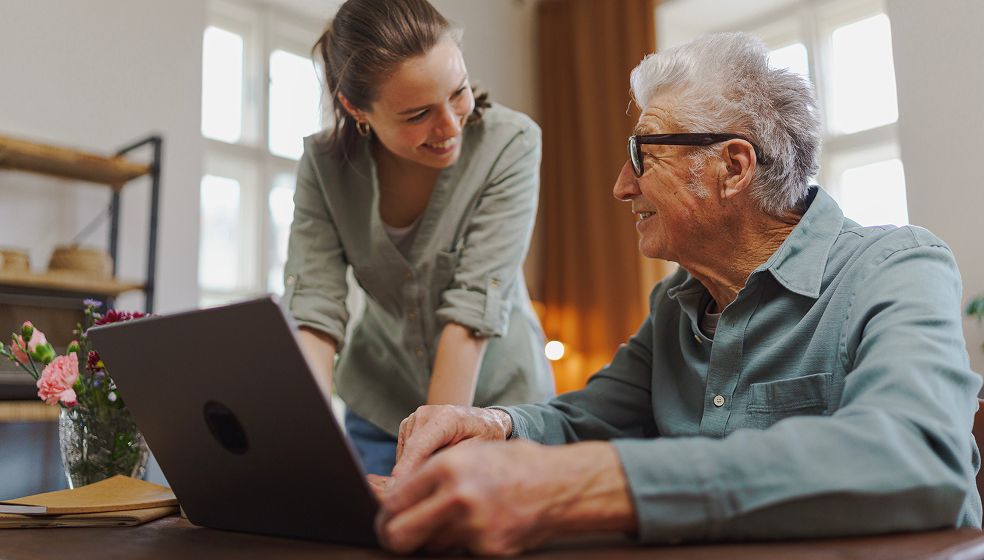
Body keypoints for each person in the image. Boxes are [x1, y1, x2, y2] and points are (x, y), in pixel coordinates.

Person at [372, 32, 983, 555]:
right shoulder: (675, 303)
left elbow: (917, 458)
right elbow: (588, 419)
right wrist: (492, 424)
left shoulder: (897, 267)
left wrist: (589, 486)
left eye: (643, 153)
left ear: (733, 167)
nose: (620, 186)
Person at [282, 0, 554, 476]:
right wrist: (304, 442)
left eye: (459, 92)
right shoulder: (325, 169)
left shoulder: (509, 145)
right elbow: (316, 312)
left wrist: (426, 463)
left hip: (501, 413)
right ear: (355, 108)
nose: (450, 126)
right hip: (381, 409)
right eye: (417, 114)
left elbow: (472, 310)